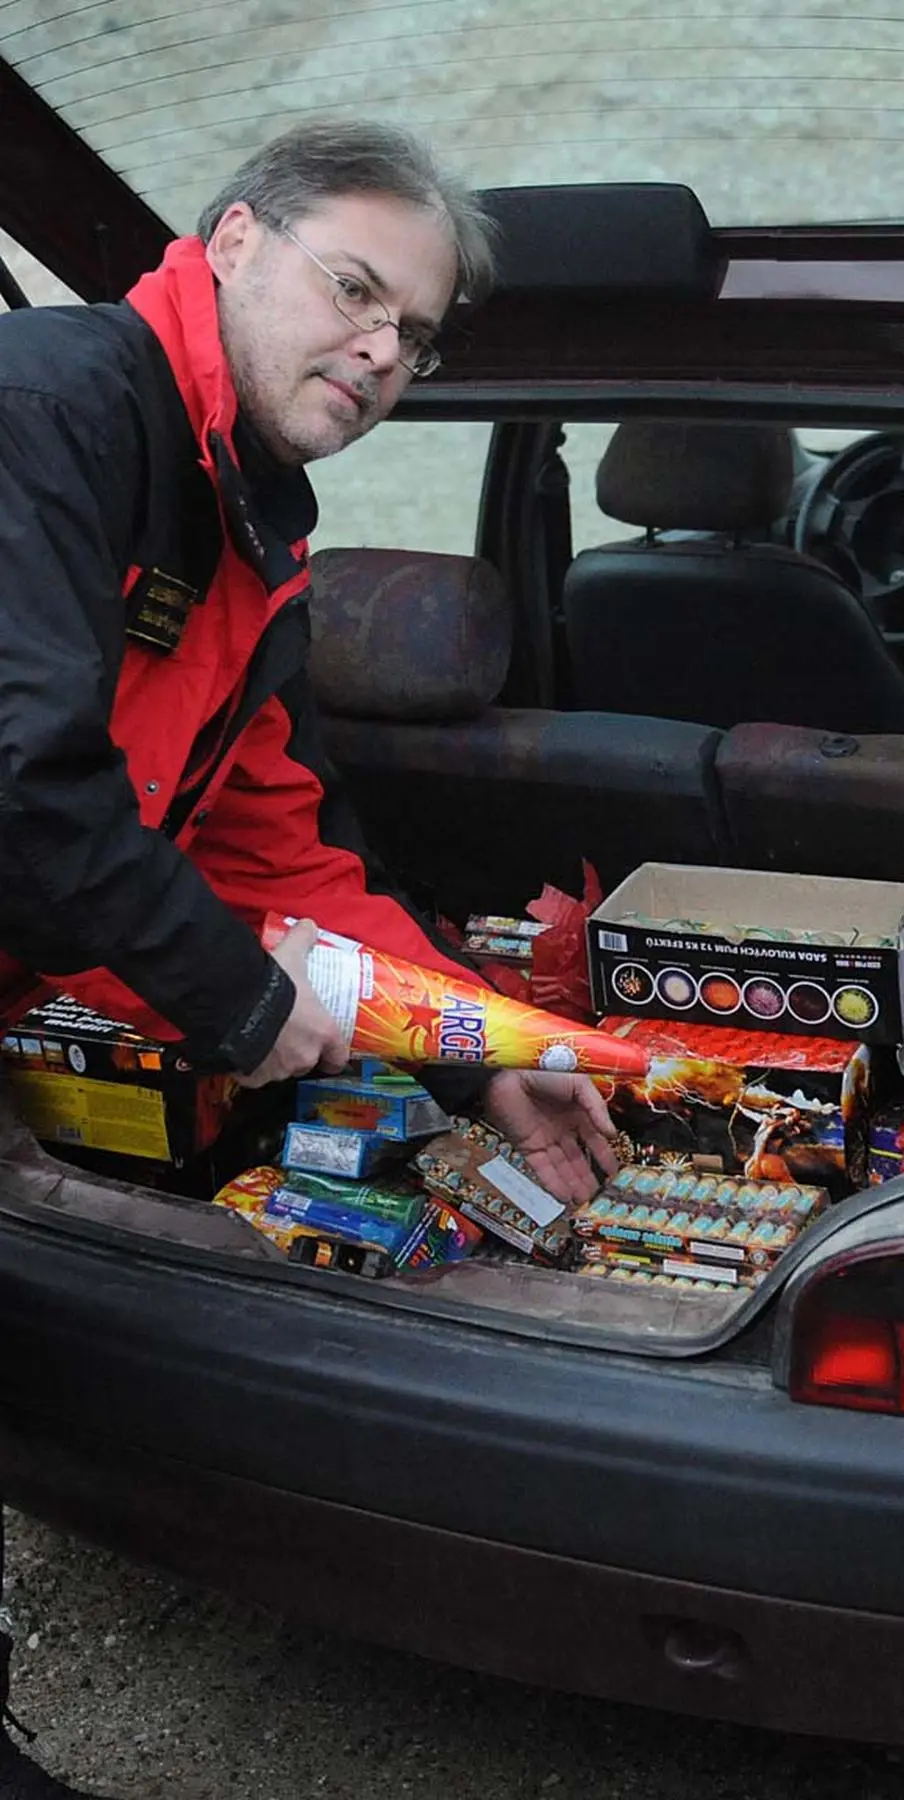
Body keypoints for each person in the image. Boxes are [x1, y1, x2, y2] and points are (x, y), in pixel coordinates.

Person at [0, 122, 618, 1797]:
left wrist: (480, 1042)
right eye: (356, 289)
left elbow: (282, 858)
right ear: (230, 240)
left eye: (414, 337)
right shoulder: (54, 406)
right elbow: (22, 772)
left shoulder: (248, 543)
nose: (380, 353)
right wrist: (241, 1003)